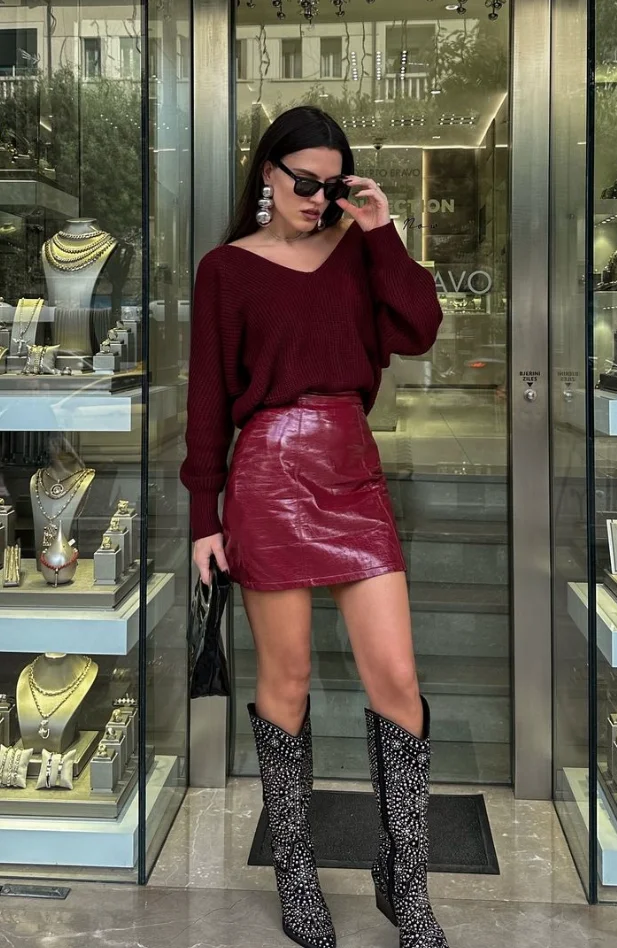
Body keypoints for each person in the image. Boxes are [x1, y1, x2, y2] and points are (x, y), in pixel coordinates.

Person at [180, 105, 449, 948]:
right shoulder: (225, 269)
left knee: (397, 681)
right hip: (264, 476)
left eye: (332, 183)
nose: (316, 195)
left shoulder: (360, 251)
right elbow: (205, 404)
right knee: (286, 683)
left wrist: (384, 228)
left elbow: (419, 328)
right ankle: (297, 874)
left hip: (351, 470)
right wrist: (203, 516)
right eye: (304, 180)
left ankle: (405, 884)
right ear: (267, 173)